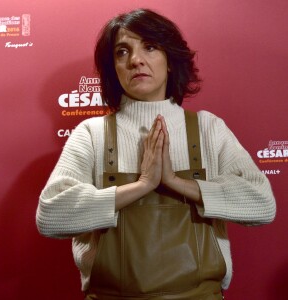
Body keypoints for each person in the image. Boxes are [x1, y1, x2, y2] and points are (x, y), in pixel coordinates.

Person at [36, 8, 276, 299]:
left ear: (170, 61)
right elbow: (50, 216)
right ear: (113, 68)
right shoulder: (92, 133)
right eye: (122, 52)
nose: (136, 59)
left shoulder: (208, 128)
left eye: (149, 47)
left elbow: (262, 205)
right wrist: (143, 185)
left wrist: (175, 181)